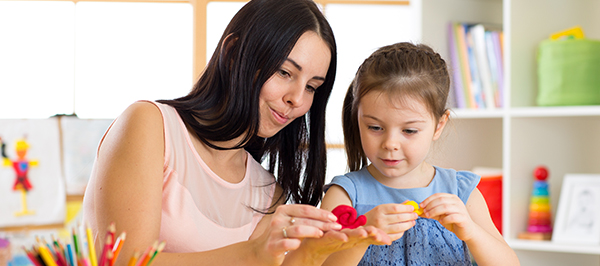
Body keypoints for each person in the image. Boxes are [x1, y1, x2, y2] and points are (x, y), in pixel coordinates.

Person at [82, 0, 389, 265]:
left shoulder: (269, 193)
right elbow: (123, 261)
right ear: (232, 53)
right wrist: (251, 255)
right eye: (284, 72)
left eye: (311, 87)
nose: (297, 99)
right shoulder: (150, 125)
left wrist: (317, 253)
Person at [320, 42, 520, 265]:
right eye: (375, 128)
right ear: (357, 118)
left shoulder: (461, 192)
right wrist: (363, 234)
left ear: (438, 126)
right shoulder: (345, 196)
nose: (390, 144)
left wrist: (472, 232)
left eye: (409, 131)